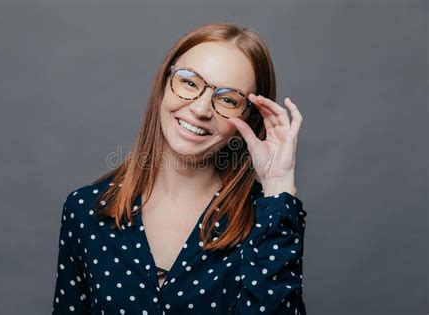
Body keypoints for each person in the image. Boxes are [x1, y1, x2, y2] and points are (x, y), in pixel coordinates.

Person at [52, 21, 307, 314]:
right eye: (189, 82)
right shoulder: (85, 210)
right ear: (164, 83)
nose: (200, 110)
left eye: (227, 99)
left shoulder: (267, 220)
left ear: (247, 120)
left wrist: (278, 185)